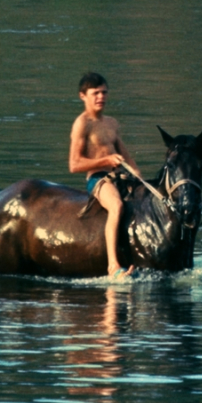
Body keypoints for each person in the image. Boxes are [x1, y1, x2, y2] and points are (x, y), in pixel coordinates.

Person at [69, 72, 140, 277]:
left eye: (104, 92)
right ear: (83, 96)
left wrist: (136, 174)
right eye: (95, 93)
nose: (101, 97)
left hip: (120, 177)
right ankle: (113, 266)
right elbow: (74, 164)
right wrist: (105, 161)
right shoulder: (82, 124)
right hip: (98, 179)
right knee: (116, 206)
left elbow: (126, 157)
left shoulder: (112, 123)